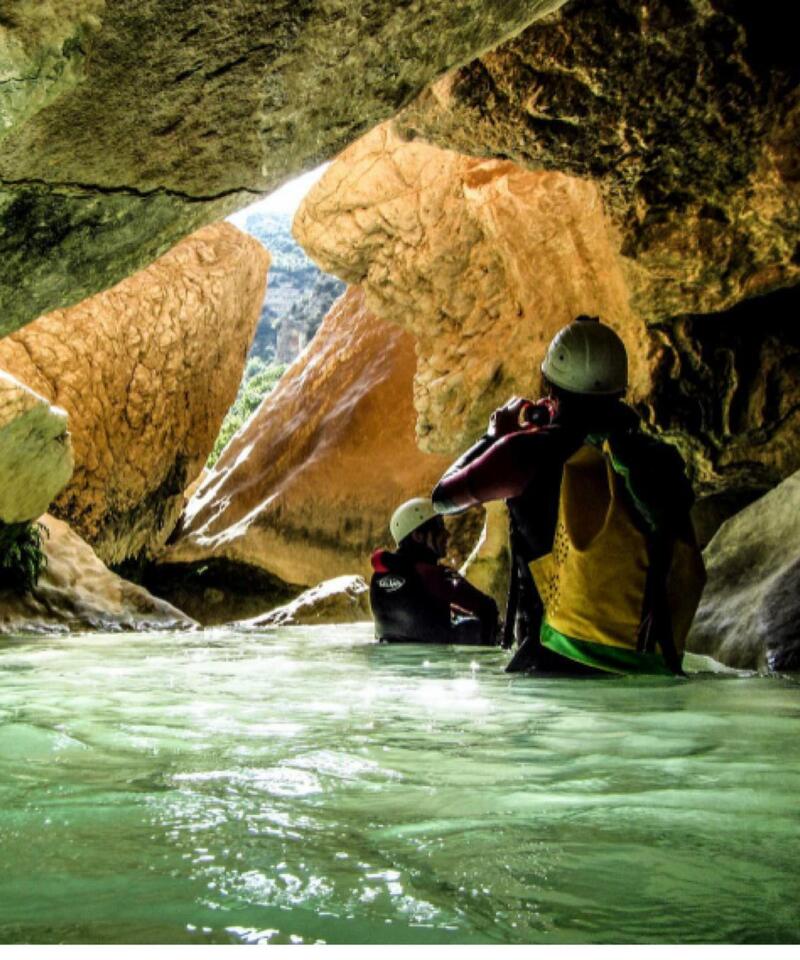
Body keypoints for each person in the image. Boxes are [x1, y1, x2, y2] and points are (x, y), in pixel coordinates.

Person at [432, 315, 706, 675]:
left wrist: (494, 436)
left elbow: (443, 498)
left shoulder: (524, 453)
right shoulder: (652, 458)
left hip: (553, 661)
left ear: (549, 385)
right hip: (647, 663)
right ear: (620, 389)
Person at [370, 497, 500, 645]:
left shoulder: (378, 576)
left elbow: (418, 606)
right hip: (433, 661)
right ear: (418, 536)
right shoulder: (435, 575)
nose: (447, 534)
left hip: (391, 660)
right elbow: (486, 607)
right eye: (439, 527)